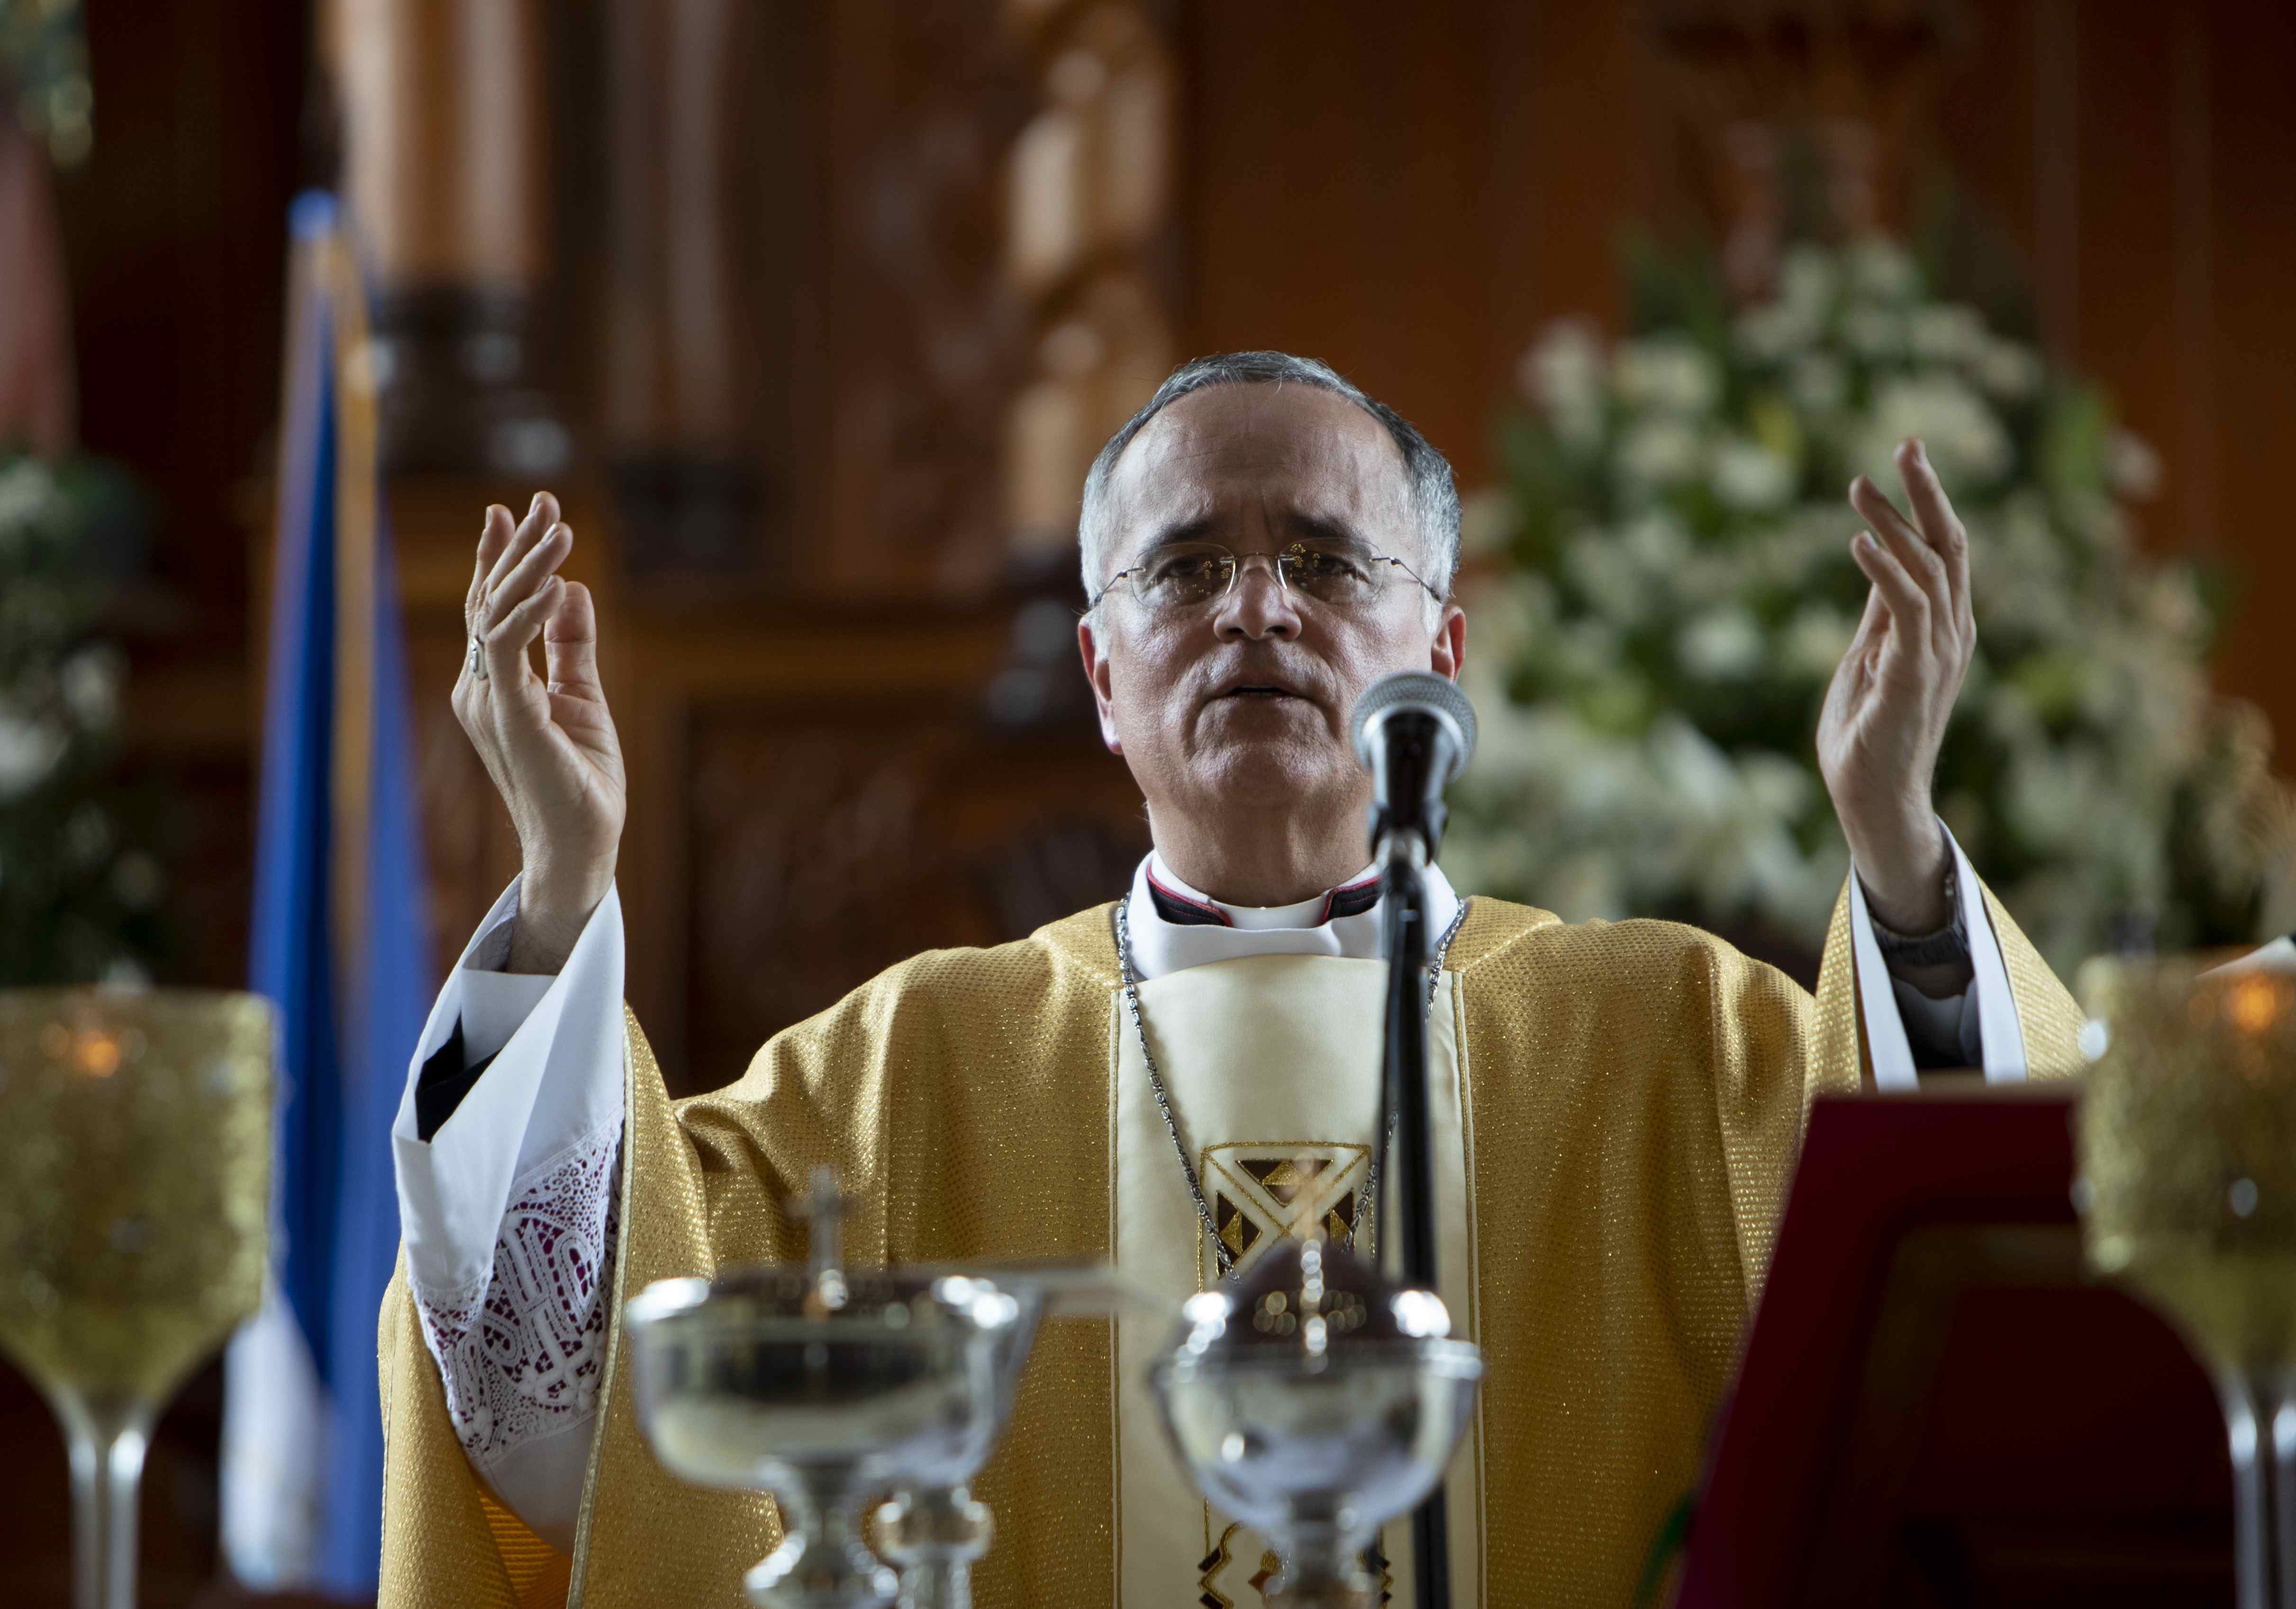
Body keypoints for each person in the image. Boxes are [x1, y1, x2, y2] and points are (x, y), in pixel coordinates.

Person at [378, 352, 2081, 1609]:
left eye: (1328, 562)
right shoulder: (909, 1072)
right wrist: (562, 880)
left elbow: (1971, 1323)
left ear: (1445, 649)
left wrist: (1902, 863)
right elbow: (564, 1396)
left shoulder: (1671, 1041)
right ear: (1105, 676)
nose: (1258, 607)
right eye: (1188, 567)